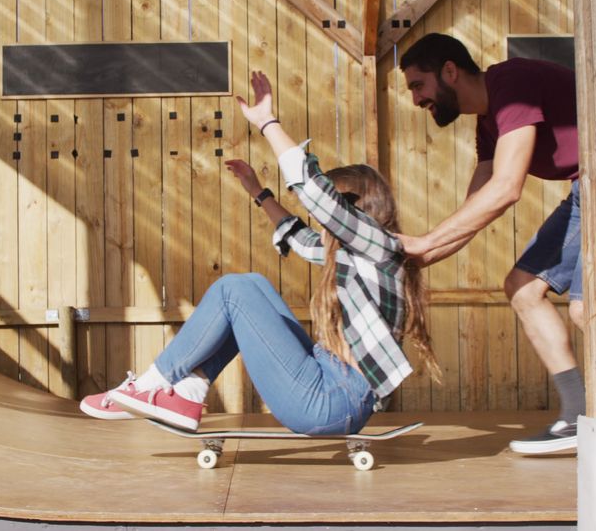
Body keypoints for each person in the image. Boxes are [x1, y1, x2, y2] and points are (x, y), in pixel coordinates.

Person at [79, 71, 441, 433]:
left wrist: (268, 122)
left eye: (333, 215)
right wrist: (259, 192)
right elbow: (300, 239)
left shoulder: (377, 243)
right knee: (252, 287)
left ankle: (148, 385)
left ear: (355, 210)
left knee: (232, 291)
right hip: (332, 390)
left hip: (330, 400)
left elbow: (314, 191)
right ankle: (191, 389)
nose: (326, 223)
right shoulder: (360, 253)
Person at [397, 33, 596, 461]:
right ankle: (576, 416)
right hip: (593, 185)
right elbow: (478, 208)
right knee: (522, 287)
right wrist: (419, 258)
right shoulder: (489, 120)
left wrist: (424, 243)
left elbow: (505, 189)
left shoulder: (511, 84)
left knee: (586, 306)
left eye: (417, 85)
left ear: (450, 71)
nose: (415, 99)